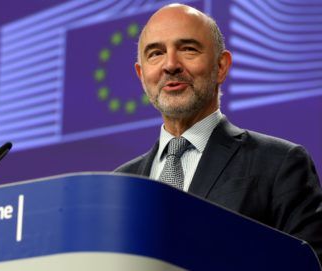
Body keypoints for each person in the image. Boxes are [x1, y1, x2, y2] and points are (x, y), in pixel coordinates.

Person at [115, 3, 322, 265]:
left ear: (221, 66)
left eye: (188, 49)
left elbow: (308, 265)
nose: (170, 64)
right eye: (156, 53)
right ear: (142, 74)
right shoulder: (120, 184)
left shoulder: (280, 163)